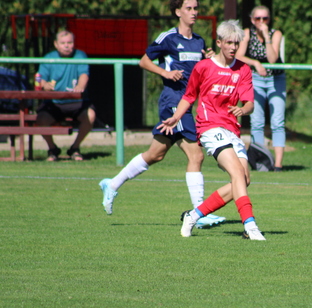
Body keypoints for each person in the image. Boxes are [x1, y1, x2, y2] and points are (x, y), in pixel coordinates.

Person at [98, 0, 225, 228]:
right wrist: (165, 73)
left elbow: (199, 75)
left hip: (186, 103)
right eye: (189, 8)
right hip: (172, 102)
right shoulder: (168, 38)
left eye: (196, 8)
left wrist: (210, 61)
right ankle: (200, 214)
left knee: (155, 154)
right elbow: (144, 61)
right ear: (177, 12)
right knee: (196, 156)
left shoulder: (199, 42)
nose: (194, 12)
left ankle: (113, 184)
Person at [159, 20, 266, 241]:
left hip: (232, 130)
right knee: (236, 173)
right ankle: (251, 226)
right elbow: (189, 96)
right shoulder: (204, 67)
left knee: (243, 180)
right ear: (219, 43)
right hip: (209, 127)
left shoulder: (243, 69)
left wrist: (243, 110)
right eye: (229, 43)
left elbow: (249, 103)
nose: (233, 47)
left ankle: (193, 215)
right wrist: (175, 118)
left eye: (237, 43)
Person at [236, 5, 286, 172]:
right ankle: (260, 162)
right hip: (256, 79)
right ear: (252, 20)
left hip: (275, 79)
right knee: (256, 122)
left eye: (265, 18)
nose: (262, 22)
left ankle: (278, 165)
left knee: (277, 122)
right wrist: (256, 63)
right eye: (258, 18)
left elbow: (272, 59)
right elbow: (238, 56)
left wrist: (267, 36)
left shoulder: (275, 34)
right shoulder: (247, 34)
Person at [36, 30, 96, 161]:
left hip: (76, 102)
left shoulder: (80, 56)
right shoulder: (48, 58)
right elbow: (41, 79)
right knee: (41, 119)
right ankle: (52, 149)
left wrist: (80, 87)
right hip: (54, 102)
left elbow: (84, 74)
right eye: (63, 43)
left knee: (90, 115)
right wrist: (45, 85)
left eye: (70, 42)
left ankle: (75, 148)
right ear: (56, 44)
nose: (67, 45)